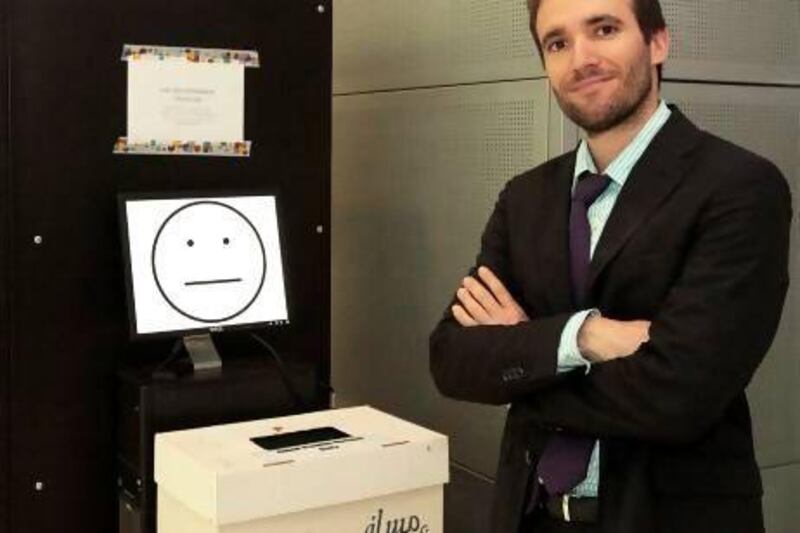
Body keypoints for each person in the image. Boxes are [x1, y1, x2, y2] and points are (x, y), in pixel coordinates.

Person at [428, 0, 792, 532]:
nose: (581, 58)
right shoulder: (524, 198)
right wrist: (586, 337)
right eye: (557, 43)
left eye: (604, 29)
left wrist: (526, 358)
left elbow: (680, 395)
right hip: (530, 515)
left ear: (657, 42)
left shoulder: (739, 187)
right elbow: (452, 359)